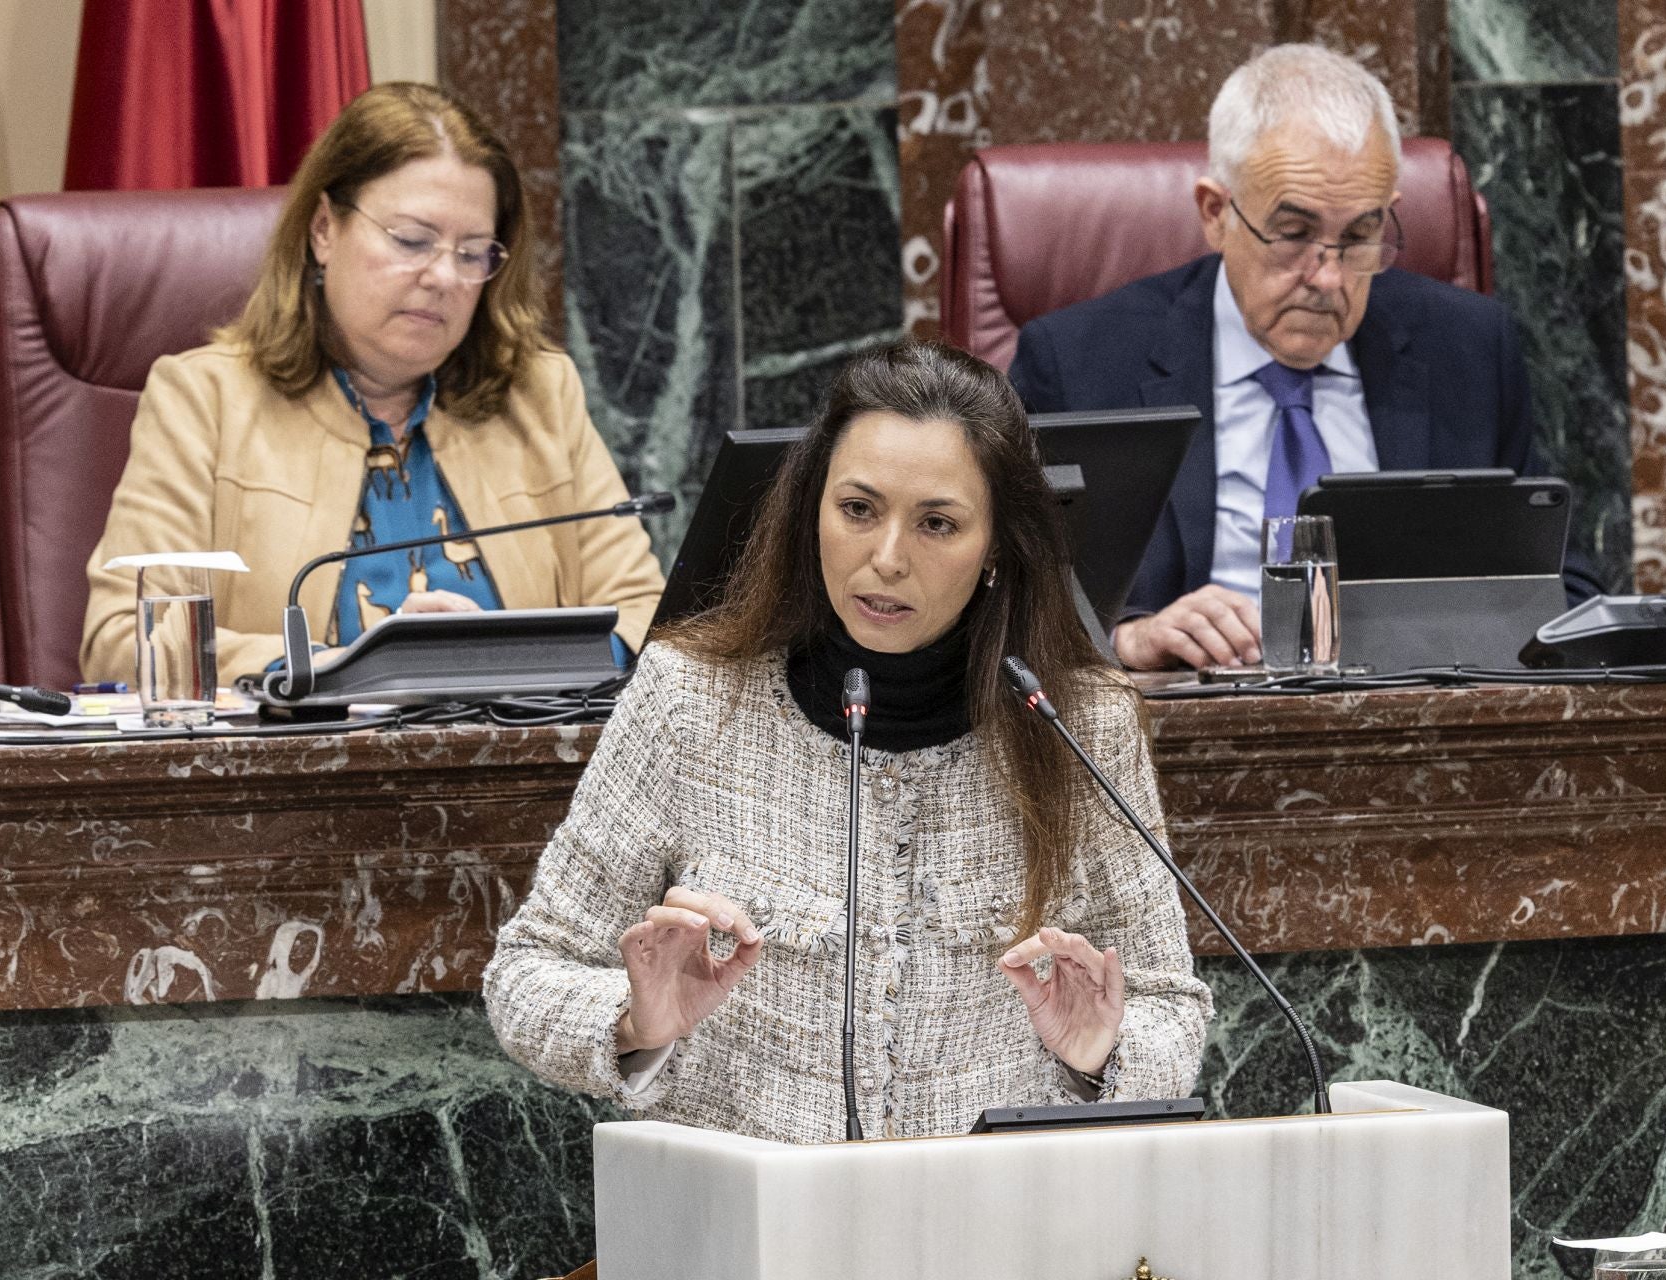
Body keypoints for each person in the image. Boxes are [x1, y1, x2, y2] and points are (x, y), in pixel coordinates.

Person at [482, 341, 1211, 1144]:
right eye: (858, 510)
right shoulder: (689, 698)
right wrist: (634, 1018)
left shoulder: (1081, 722)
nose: (887, 558)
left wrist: (1101, 1052)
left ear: (997, 544)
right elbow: (525, 975)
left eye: (937, 523)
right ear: (811, 511)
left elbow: (1172, 1013)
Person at [1009, 43, 1604, 672]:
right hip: (1183, 730)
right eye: (1293, 234)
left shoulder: (1466, 348)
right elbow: (1001, 600)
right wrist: (1128, 639)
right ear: (1216, 213)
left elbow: (1564, 588)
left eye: (1357, 237)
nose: (1327, 278)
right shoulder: (1080, 361)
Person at [80, 83, 664, 686]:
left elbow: (650, 621)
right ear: (324, 229)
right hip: (302, 774)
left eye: (472, 254)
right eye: (412, 241)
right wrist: (346, 669)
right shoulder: (204, 400)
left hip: (522, 768)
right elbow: (127, 637)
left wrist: (501, 659)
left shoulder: (539, 394)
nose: (442, 276)